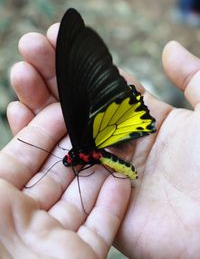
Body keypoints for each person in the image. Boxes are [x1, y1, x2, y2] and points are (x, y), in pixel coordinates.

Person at [0, 22, 200, 258]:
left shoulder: (81, 148)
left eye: (69, 160)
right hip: (112, 129)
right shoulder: (81, 152)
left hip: (112, 130)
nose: (67, 161)